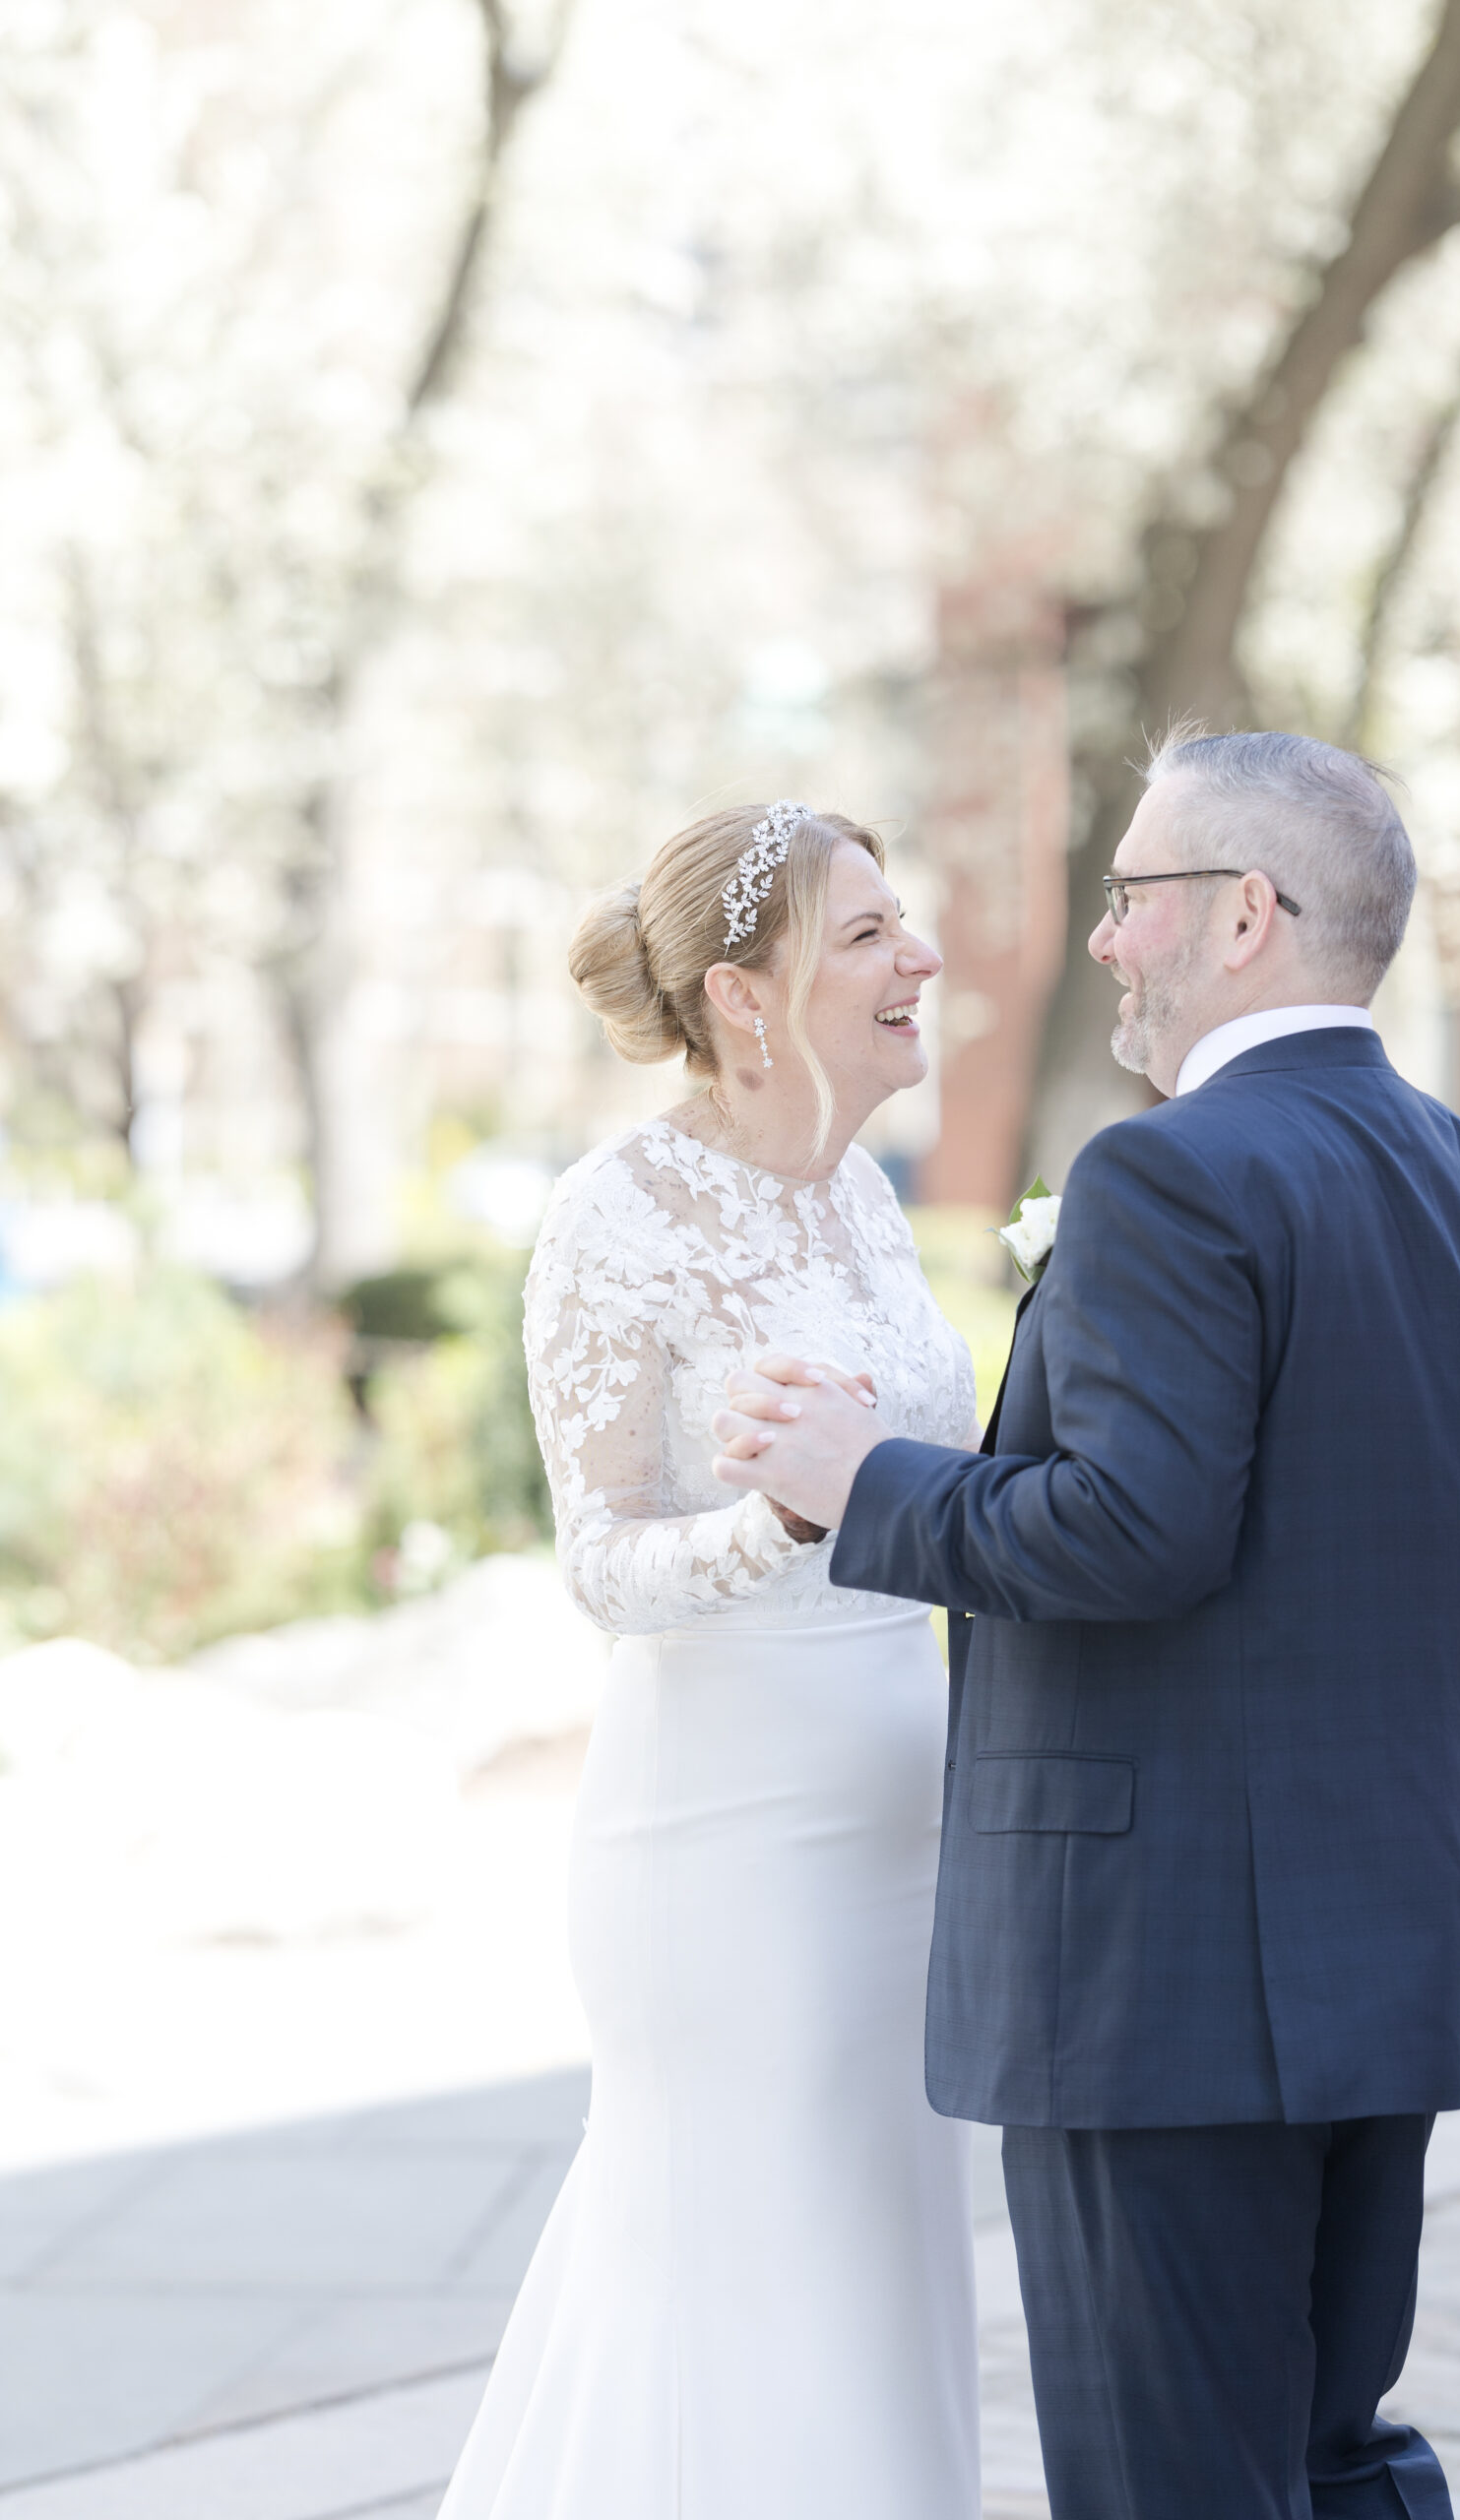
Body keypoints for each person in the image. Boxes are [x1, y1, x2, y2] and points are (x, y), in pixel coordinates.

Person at [712, 731, 1460, 2520]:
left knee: (1166, 2479)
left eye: (1130, 897)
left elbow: (1130, 1532)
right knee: (1325, 2455)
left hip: (1166, 1966)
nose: (1105, 940)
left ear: (1245, 915)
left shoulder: (1170, 1174)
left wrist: (865, 1475)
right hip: (1395, 1938)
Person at [437, 802, 982, 2520]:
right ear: (749, 998)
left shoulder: (865, 1210)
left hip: (910, 1833)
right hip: (729, 1848)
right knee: (743, 2278)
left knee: (884, 2272)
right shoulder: (620, 1212)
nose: (927, 959)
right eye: (874, 934)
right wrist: (787, 1525)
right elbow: (601, 1562)